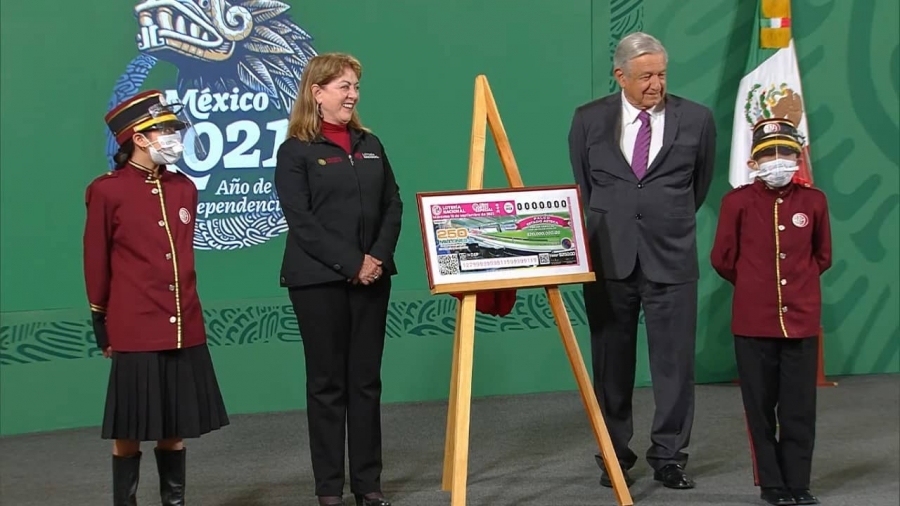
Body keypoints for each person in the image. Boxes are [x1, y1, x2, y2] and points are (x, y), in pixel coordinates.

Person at [567, 31, 717, 490]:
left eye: (662, 74)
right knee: (611, 363)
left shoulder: (697, 118)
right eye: (646, 76)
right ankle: (614, 453)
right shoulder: (588, 120)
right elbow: (586, 188)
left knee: (674, 365)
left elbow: (700, 185)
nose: (656, 84)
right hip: (610, 260)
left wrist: (662, 219)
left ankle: (670, 456)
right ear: (620, 76)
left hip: (671, 260)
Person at [84, 90, 230, 505]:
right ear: (139, 137)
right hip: (135, 327)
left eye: (173, 128)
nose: (174, 137)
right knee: (128, 432)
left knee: (174, 428)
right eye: (164, 130)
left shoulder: (184, 188)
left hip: (183, 323)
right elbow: (96, 260)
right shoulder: (107, 191)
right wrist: (102, 321)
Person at [274, 52, 402, 506]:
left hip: (373, 279)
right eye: (343, 86)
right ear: (317, 93)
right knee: (328, 386)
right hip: (318, 283)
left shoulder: (370, 143)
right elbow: (303, 223)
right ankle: (329, 489)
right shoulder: (295, 152)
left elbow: (393, 204)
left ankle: (368, 484)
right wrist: (352, 264)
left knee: (366, 382)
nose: (353, 94)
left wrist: (377, 259)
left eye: (355, 87)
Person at [711, 117, 831, 506]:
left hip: (800, 322)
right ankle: (772, 485)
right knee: (759, 409)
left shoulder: (814, 202)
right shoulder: (737, 203)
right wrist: (753, 286)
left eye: (786, 152)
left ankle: (800, 483)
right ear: (753, 161)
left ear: (798, 157)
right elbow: (724, 259)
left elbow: (822, 256)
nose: (778, 160)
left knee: (799, 407)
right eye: (769, 153)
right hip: (753, 323)